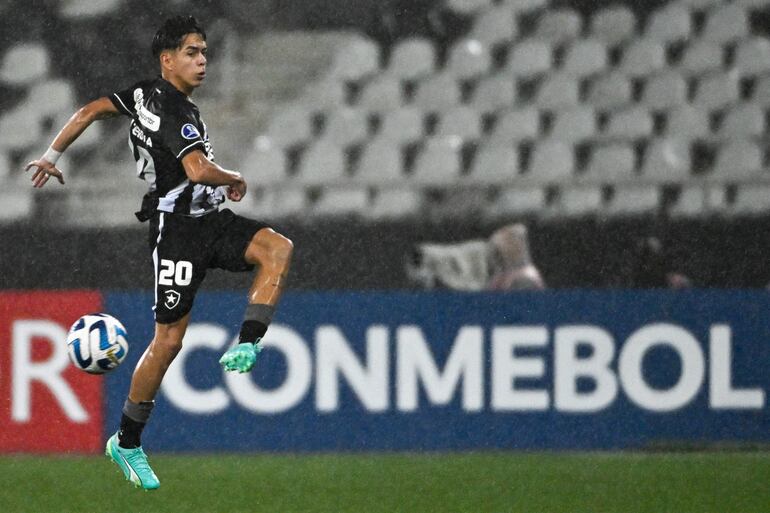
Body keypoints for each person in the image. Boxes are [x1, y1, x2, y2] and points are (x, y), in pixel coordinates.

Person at [24, 16, 293, 490]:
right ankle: (126, 442)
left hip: (210, 220)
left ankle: (248, 341)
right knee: (168, 342)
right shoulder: (176, 111)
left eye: (204, 51)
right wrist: (235, 177)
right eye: (192, 52)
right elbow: (197, 167)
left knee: (277, 248)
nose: (203, 60)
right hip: (177, 232)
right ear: (167, 60)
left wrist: (52, 154)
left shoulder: (144, 93)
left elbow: (89, 110)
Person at [405, 222, 545, 291]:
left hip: (481, 260)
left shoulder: (437, 257)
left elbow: (420, 252)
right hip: (485, 274)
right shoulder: (446, 273)